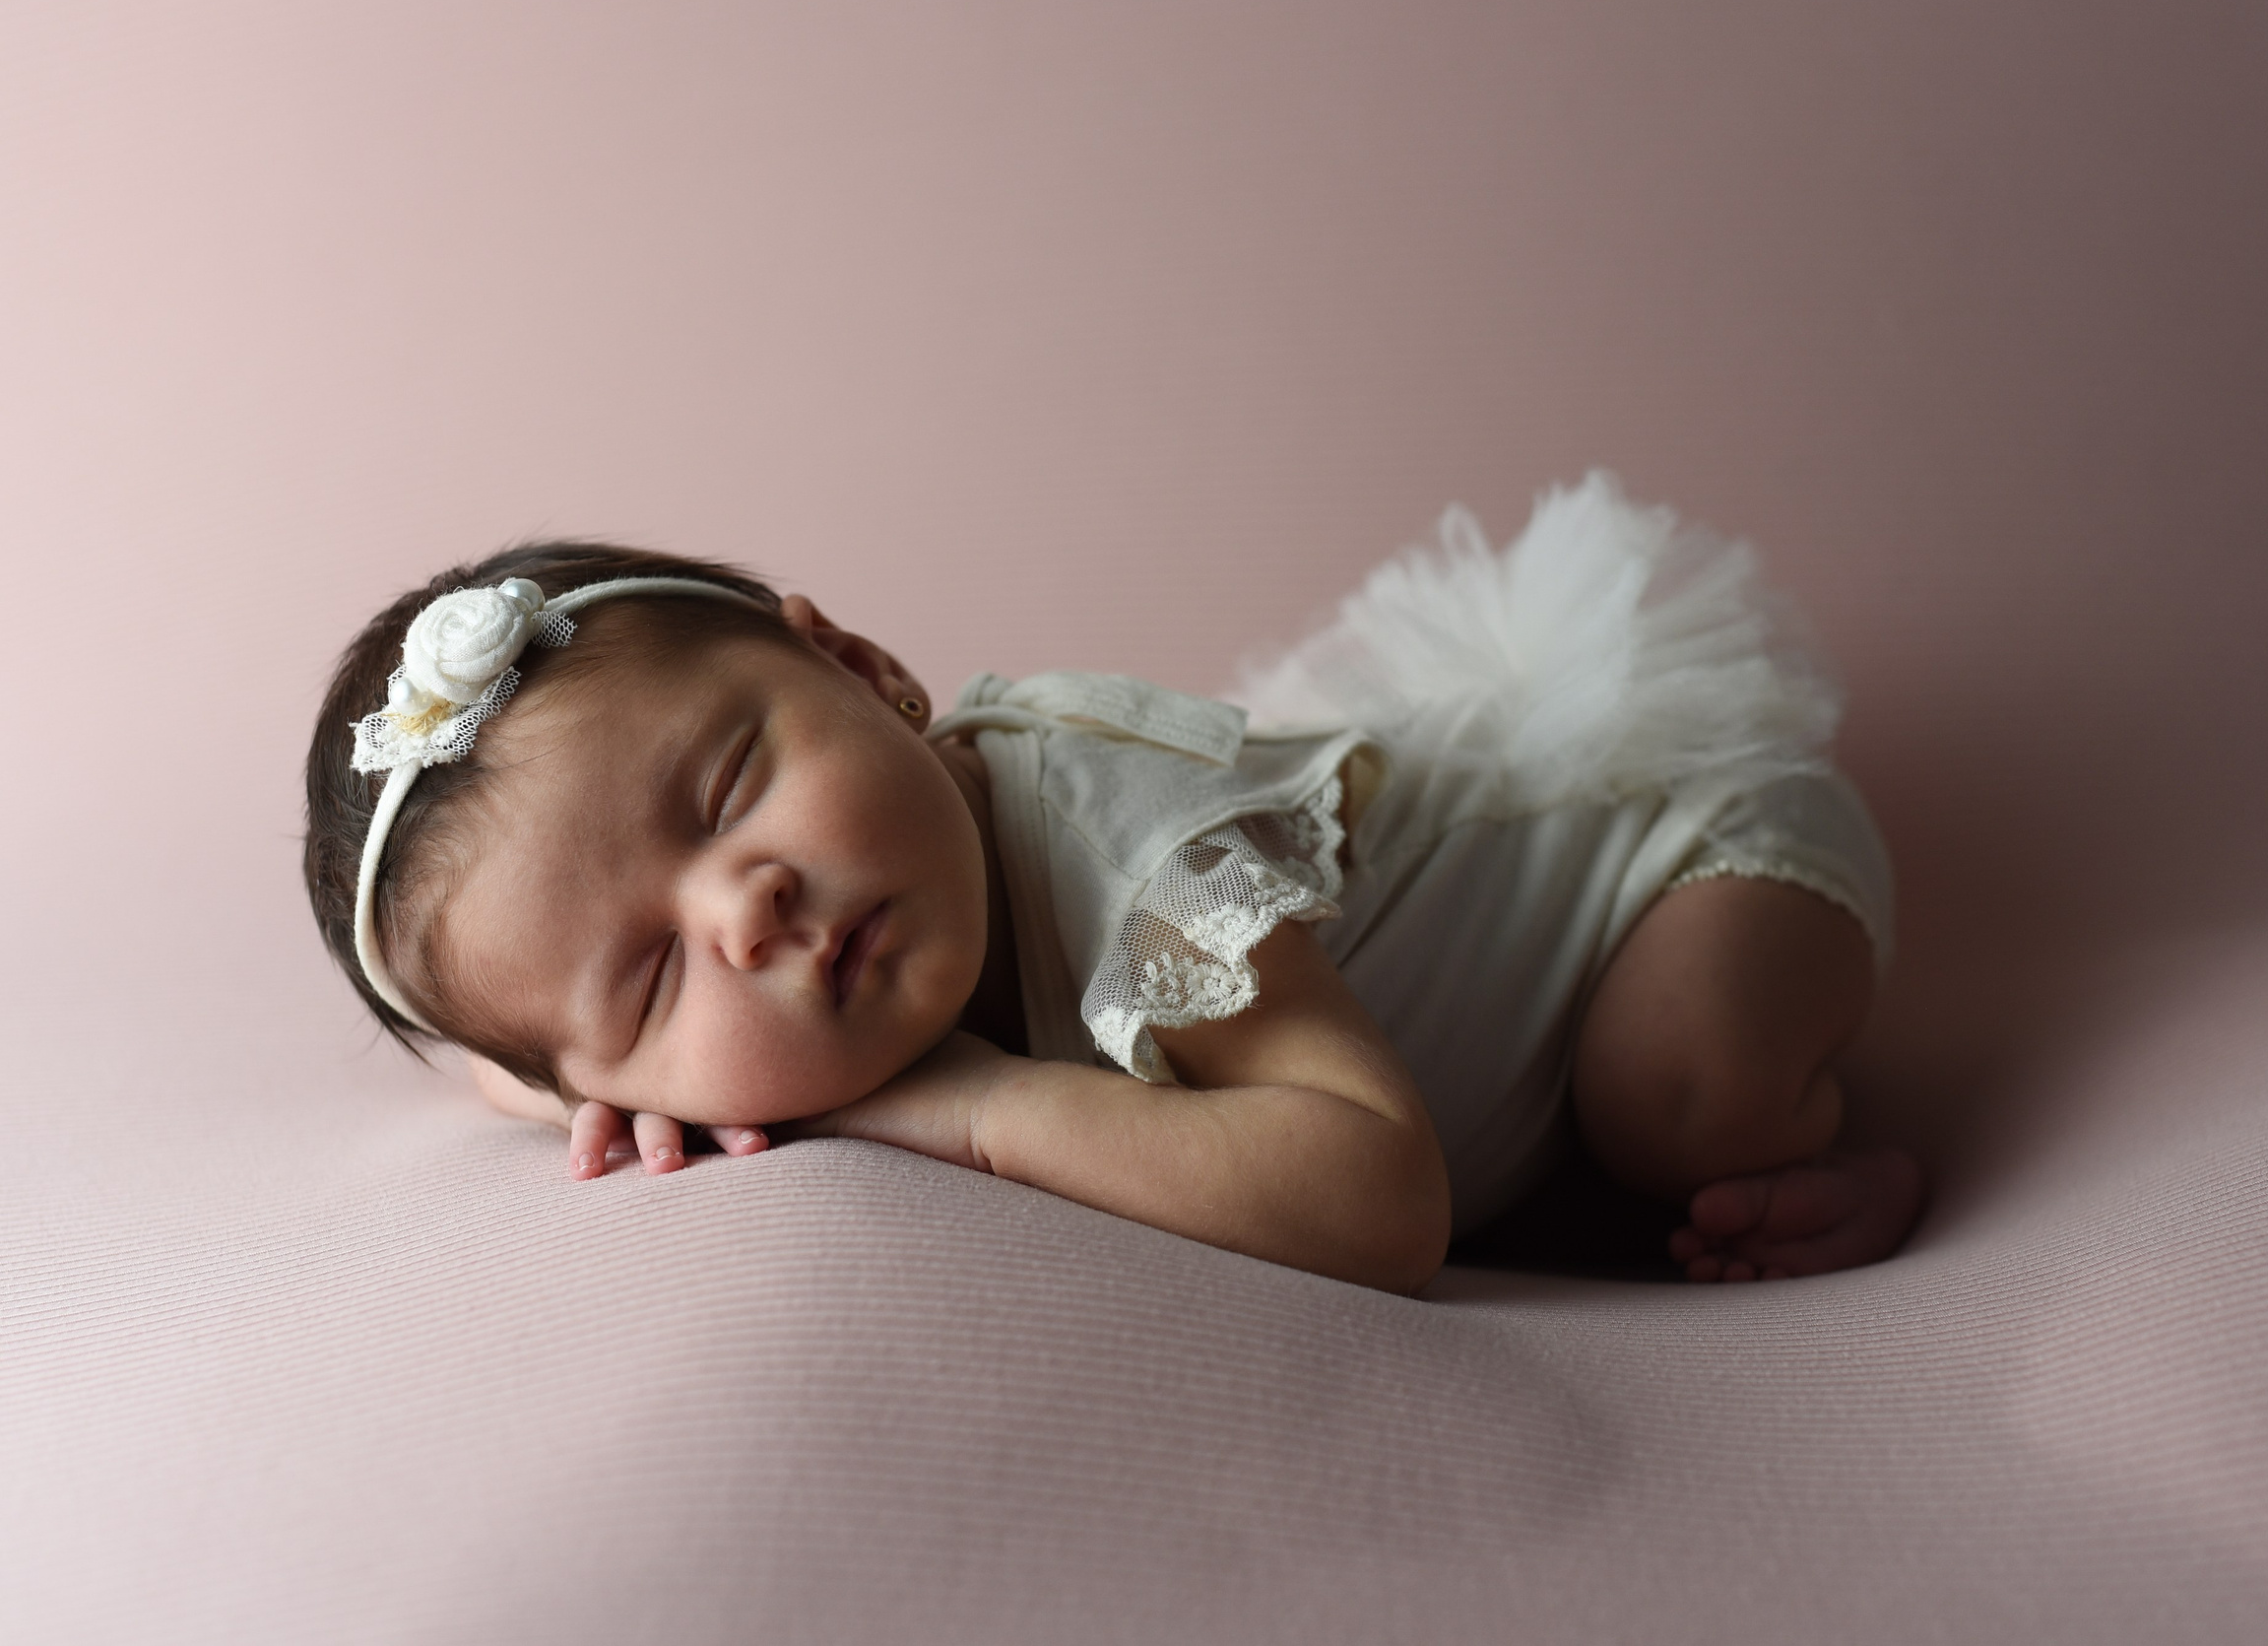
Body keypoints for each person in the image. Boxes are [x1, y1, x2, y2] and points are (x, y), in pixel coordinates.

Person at [302, 473, 1922, 1296]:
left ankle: (1864, 1153)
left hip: (1666, 851)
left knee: (1680, 1101)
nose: (748, 911)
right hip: (1480, 1054)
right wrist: (583, 1081)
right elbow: (497, 1046)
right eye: (654, 979)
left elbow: (1380, 1202)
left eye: (730, 789)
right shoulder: (682, 1005)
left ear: (864, 665)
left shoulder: (1121, 840)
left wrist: (969, 1105)